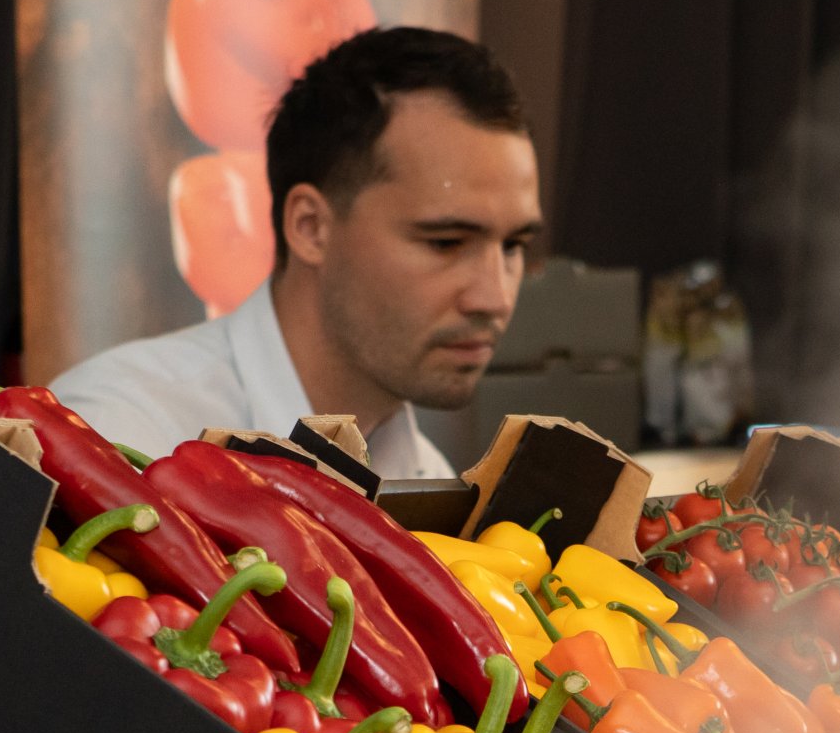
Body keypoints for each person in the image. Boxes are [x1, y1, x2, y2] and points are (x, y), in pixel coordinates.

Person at [52, 27, 542, 480]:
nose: (494, 298)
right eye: (446, 242)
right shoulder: (118, 435)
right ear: (310, 227)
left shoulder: (427, 474)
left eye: (513, 245)